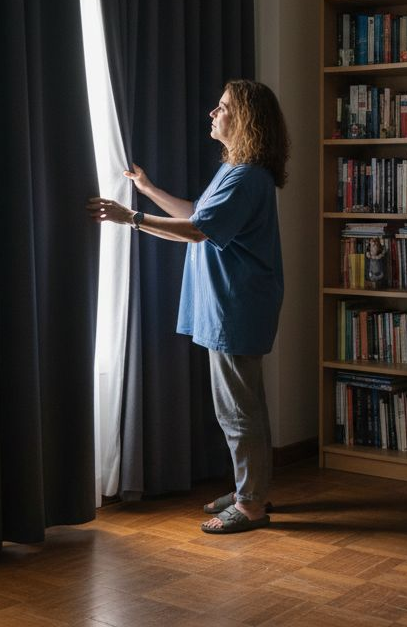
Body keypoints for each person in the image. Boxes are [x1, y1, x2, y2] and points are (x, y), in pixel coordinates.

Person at [87, 80, 289, 534]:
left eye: (222, 107)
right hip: (230, 303)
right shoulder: (235, 170)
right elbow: (197, 214)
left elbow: (197, 231)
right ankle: (250, 490)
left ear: (245, 120)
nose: (212, 114)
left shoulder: (246, 177)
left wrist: (131, 218)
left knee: (238, 410)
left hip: (237, 306)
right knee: (240, 407)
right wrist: (148, 190)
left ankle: (251, 504)